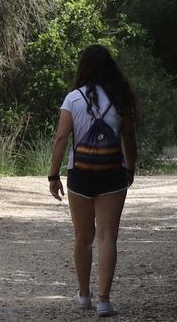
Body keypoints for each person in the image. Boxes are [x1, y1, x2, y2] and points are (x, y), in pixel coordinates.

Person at [46, 44, 138, 318]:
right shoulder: (121, 98)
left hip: (81, 174)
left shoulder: (73, 99)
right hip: (112, 172)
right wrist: (130, 169)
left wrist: (53, 174)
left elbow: (61, 138)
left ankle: (84, 295)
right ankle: (103, 301)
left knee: (83, 237)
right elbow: (129, 139)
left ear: (83, 67)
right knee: (108, 236)